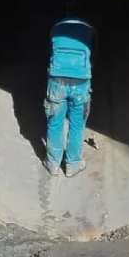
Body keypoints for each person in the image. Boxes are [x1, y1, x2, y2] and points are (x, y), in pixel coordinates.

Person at [44, 14, 94, 177]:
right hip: (81, 82)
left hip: (57, 81)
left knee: (55, 123)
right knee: (77, 124)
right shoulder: (89, 30)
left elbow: (50, 52)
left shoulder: (56, 28)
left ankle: (52, 164)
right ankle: (73, 165)